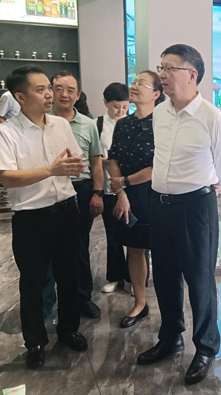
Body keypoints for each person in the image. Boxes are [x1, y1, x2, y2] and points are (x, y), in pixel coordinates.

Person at [135, 44, 221, 385]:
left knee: (200, 279)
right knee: (164, 276)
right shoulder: (160, 112)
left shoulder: (211, 117)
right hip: (160, 205)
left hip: (195, 208)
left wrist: (201, 192)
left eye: (169, 68)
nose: (162, 74)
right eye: (161, 67)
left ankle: (205, 347)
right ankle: (170, 337)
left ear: (191, 75)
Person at [0, 65, 88, 369]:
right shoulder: (5, 132)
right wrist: (50, 170)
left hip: (67, 210)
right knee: (33, 282)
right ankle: (35, 342)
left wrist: (74, 166)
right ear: (20, 96)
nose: (49, 95)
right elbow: (7, 178)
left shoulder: (60, 125)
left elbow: (73, 161)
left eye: (49, 88)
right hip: (32, 218)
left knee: (69, 276)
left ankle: (69, 329)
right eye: (41, 89)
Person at [106, 72, 164, 327]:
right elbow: (113, 159)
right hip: (128, 196)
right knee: (134, 248)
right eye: (134, 82)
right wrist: (121, 192)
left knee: (162, 250)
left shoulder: (163, 123)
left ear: (156, 94)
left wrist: (125, 182)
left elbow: (159, 165)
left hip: (156, 193)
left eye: (141, 83)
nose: (134, 86)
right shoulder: (124, 124)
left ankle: (169, 309)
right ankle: (140, 303)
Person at [50, 70, 104, 318]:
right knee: (49, 248)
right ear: (51, 91)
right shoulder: (42, 121)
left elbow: (96, 161)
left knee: (79, 246)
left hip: (80, 189)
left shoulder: (88, 124)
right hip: (49, 188)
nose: (65, 94)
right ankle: (48, 302)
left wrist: (97, 193)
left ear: (78, 94)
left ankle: (83, 298)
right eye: (59, 88)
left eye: (70, 90)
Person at [96, 83, 130, 294]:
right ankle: (116, 277)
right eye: (116, 107)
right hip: (108, 188)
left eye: (125, 107)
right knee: (113, 235)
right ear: (106, 103)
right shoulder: (97, 125)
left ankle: (135, 279)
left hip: (131, 187)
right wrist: (109, 162)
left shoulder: (132, 124)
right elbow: (93, 158)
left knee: (136, 236)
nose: (120, 112)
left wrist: (111, 160)